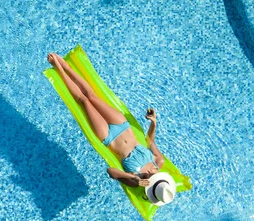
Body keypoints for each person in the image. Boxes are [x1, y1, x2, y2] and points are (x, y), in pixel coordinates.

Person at [47, 52, 168, 188]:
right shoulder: (159, 161)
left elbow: (111, 171)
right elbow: (150, 141)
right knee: (92, 96)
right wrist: (154, 122)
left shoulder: (136, 180)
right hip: (122, 125)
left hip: (109, 138)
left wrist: (133, 178)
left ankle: (58, 67)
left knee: (84, 101)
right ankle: (66, 66)